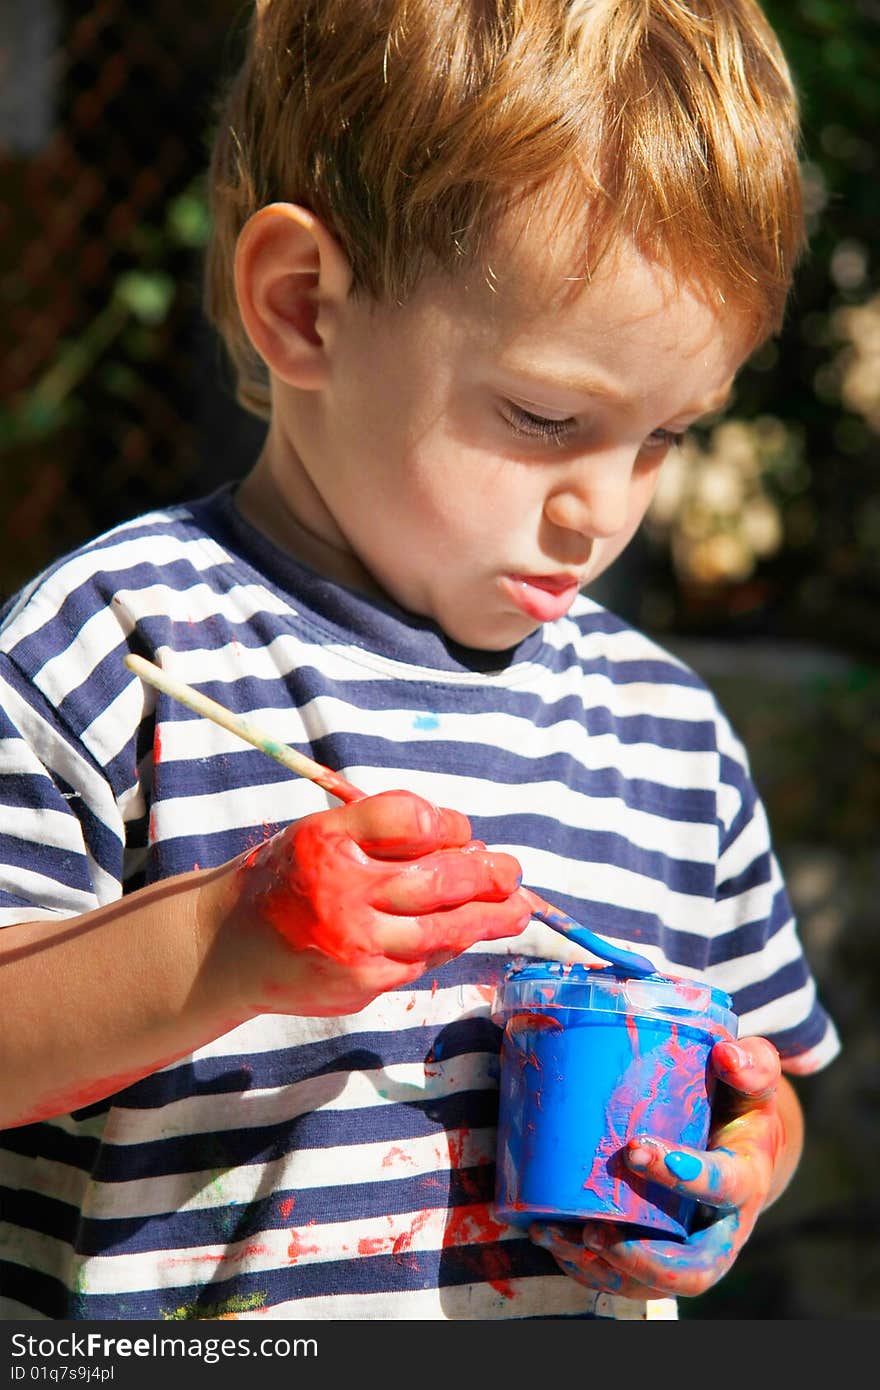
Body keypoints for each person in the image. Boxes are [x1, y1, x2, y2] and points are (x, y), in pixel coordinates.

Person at [0, 0, 840, 1321]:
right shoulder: (118, 650)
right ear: (303, 310)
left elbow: (763, 1081)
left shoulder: (668, 738)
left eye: (666, 434)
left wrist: (739, 1171)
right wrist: (226, 937)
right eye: (548, 416)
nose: (603, 511)